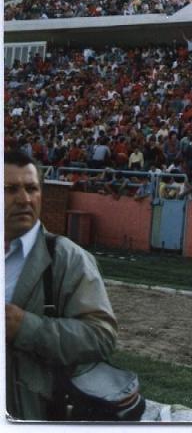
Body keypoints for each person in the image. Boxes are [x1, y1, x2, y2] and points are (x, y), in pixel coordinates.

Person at [5, 151, 118, 420]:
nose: (24, 199)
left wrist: (26, 327)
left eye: (32, 188)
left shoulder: (68, 259)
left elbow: (101, 336)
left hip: (30, 411)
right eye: (10, 189)